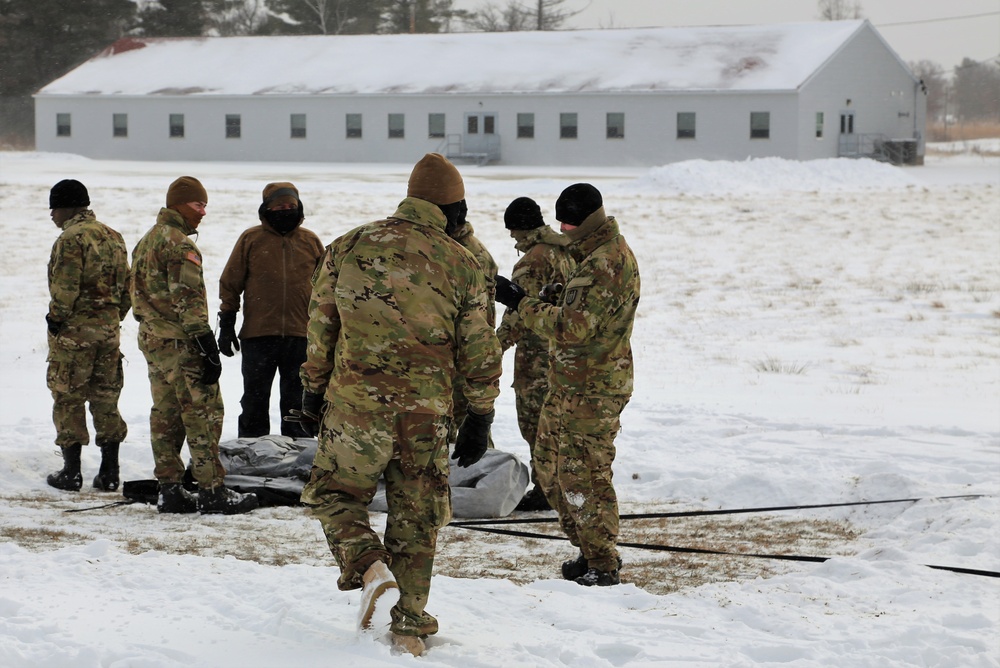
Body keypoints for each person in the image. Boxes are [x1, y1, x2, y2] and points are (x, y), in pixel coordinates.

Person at [298, 153, 502, 656]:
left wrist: (312, 386)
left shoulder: (348, 245)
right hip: (426, 415)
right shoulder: (464, 262)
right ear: (454, 209)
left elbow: (322, 323)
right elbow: (480, 347)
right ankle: (409, 626)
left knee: (333, 495)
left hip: (355, 406)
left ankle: (368, 564)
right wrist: (481, 412)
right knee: (417, 516)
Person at [494, 183, 640, 587]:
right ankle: (587, 547)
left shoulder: (604, 262)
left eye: (571, 222)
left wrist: (520, 302)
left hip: (593, 388)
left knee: (583, 475)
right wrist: (553, 296)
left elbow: (572, 329)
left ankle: (602, 561)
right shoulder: (589, 255)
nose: (564, 230)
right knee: (549, 466)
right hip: (569, 383)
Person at [131, 176, 258, 515]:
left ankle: (169, 489)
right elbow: (187, 299)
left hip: (154, 341)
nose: (203, 212)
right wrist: (206, 344)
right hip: (181, 343)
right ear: (178, 204)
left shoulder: (146, 242)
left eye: (204, 205)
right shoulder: (179, 245)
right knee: (203, 414)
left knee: (166, 414)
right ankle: (212, 490)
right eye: (197, 204)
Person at [217, 182, 324, 439]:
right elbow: (230, 283)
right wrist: (227, 324)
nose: (286, 210)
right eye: (279, 206)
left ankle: (299, 457)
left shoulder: (310, 241)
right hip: (258, 336)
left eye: (291, 206)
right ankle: (251, 452)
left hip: (302, 337)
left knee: (297, 404)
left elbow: (327, 289)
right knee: (253, 402)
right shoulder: (251, 239)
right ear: (267, 208)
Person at [44, 179, 131, 493]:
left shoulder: (70, 239)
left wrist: (55, 320)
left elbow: (65, 289)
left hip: (75, 336)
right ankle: (110, 472)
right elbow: (127, 289)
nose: (51, 214)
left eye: (54, 207)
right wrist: (110, 319)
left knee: (68, 398)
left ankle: (71, 472)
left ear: (67, 207)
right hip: (108, 335)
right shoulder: (113, 237)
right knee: (106, 398)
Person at [495, 197, 573, 511]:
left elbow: (518, 312)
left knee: (535, 426)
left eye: (513, 232)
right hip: (565, 353)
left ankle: (545, 490)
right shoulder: (565, 251)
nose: (513, 239)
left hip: (537, 358)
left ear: (521, 228)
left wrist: (493, 348)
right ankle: (563, 485)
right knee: (558, 426)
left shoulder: (532, 261)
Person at [446, 199, 499, 446]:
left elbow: (479, 317)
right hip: (462, 351)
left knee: (469, 427)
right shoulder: (462, 248)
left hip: (464, 354)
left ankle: (480, 476)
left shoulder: (467, 254)